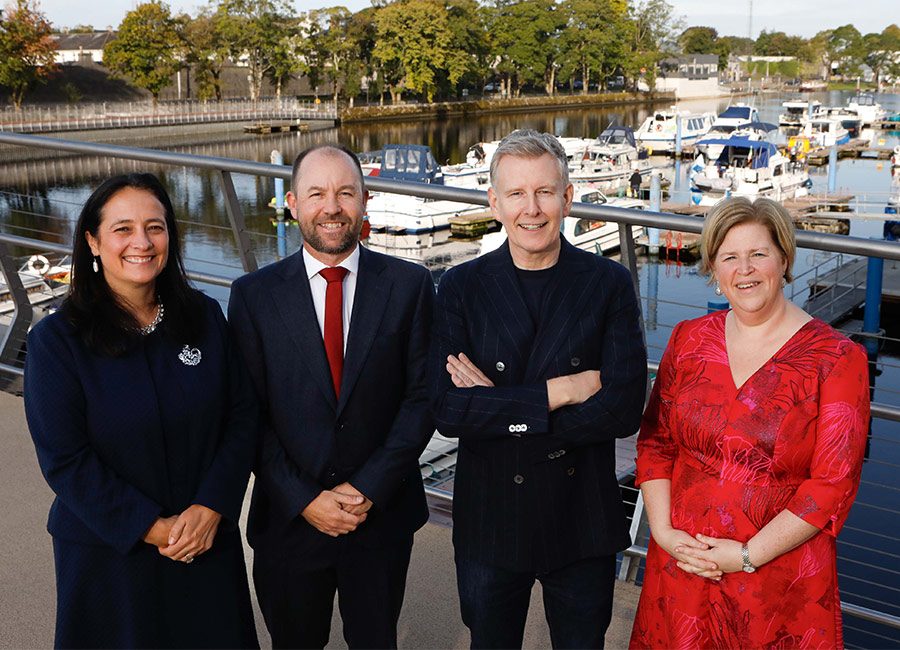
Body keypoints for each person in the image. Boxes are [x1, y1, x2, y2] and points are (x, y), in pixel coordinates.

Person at [429, 130, 647, 649]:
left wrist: (500, 408)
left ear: (568, 198)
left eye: (545, 192)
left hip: (581, 516)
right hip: (491, 517)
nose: (532, 208)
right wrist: (562, 390)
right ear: (494, 202)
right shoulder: (462, 287)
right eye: (517, 194)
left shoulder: (607, 283)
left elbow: (622, 410)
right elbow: (448, 409)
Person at [24, 173, 259, 649]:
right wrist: (152, 528)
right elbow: (66, 460)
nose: (142, 242)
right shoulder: (56, 341)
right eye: (123, 228)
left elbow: (243, 415)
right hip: (109, 553)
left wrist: (212, 505)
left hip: (204, 540)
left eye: (155, 227)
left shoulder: (205, 316)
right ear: (92, 241)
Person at [629, 196, 870, 649]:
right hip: (683, 561)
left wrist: (744, 556)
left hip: (775, 578)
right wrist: (663, 533)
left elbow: (831, 486)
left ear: (783, 258)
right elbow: (656, 443)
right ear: (714, 270)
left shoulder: (837, 359)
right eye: (730, 257)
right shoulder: (687, 340)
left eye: (758, 253)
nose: (745, 269)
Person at [228, 144, 434, 649]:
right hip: (290, 520)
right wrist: (306, 500)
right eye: (316, 193)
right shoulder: (254, 296)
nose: (332, 206)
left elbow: (422, 398)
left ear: (365, 200)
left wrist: (368, 488)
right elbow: (245, 414)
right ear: (293, 203)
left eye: (345, 192)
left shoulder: (410, 285)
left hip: (380, 515)